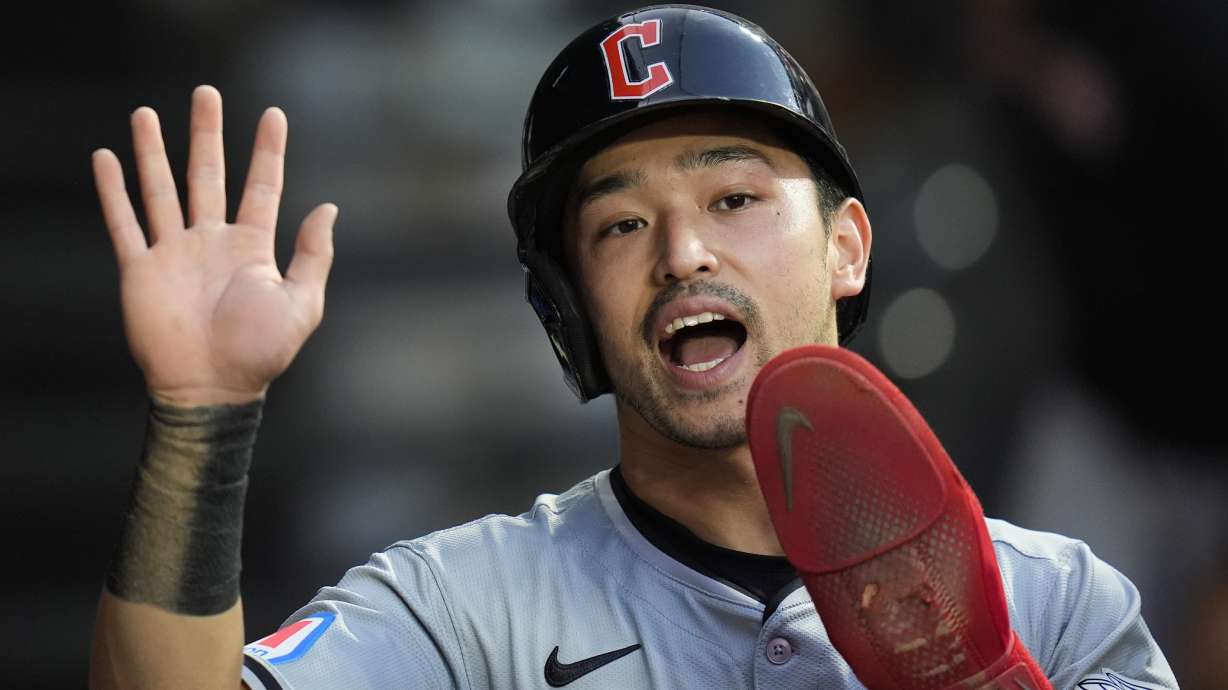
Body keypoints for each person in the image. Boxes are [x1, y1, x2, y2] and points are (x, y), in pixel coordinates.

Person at [88, 6, 1177, 689]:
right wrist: (201, 417)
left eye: (735, 197)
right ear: (568, 304)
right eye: (618, 224)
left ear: (847, 246)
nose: (682, 251)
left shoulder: (1058, 604)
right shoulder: (467, 611)